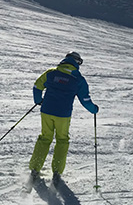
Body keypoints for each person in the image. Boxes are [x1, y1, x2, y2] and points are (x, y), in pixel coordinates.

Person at [29, 51, 98, 185]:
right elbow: (85, 99)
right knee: (62, 140)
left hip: (46, 110)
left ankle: (35, 169)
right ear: (76, 62)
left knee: (45, 137)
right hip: (63, 114)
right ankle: (57, 172)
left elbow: (37, 86)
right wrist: (93, 109)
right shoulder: (78, 79)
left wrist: (38, 100)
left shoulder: (52, 73)